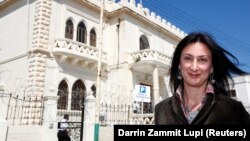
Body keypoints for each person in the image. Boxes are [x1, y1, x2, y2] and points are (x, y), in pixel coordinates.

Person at [155, 32, 250, 125]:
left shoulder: (234, 109)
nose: (194, 67)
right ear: (179, 64)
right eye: (188, 58)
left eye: (202, 60)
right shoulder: (161, 109)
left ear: (212, 68)